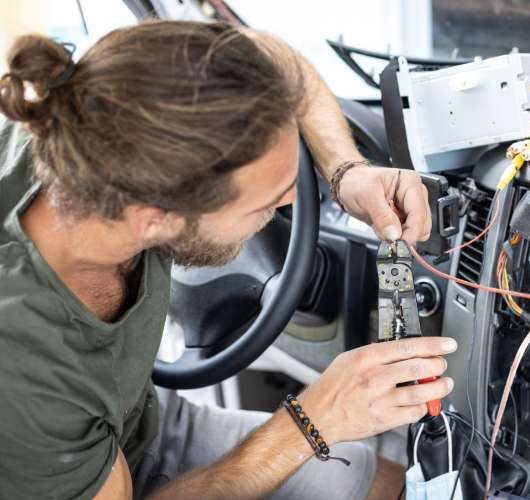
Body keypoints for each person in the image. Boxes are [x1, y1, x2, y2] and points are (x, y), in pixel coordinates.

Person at [0, 20, 456, 499]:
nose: (292, 203)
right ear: (154, 220)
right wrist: (316, 418)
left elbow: (281, 68)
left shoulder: (97, 121)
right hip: (77, 467)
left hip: (133, 422)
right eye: (266, 204)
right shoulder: (23, 360)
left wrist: (347, 174)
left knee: (375, 482)